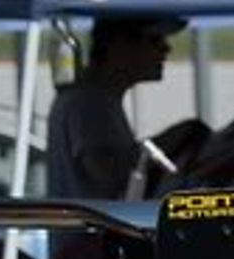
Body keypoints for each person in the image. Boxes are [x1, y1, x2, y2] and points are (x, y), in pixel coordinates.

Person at [46, 15, 181, 199]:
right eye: (154, 40)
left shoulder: (89, 97)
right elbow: (109, 175)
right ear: (118, 46)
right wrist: (176, 139)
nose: (167, 49)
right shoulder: (91, 102)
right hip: (92, 227)